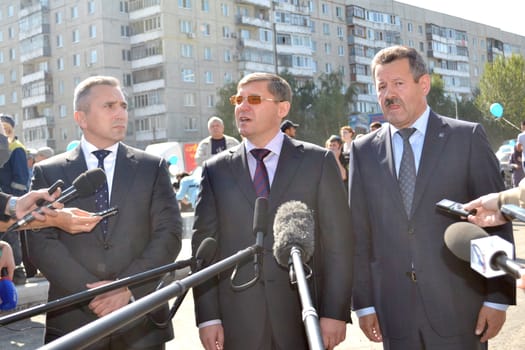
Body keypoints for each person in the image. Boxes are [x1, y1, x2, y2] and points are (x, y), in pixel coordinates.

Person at [349, 45, 515, 350]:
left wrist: (497, 297)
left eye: (398, 84)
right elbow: (360, 232)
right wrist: (365, 304)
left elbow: (494, 222)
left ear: (423, 84)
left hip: (459, 307)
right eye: (381, 86)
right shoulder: (363, 151)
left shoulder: (466, 138)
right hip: (395, 314)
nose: (389, 94)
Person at [192, 72, 353, 350]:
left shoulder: (317, 161)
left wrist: (334, 312)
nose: (242, 107)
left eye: (253, 99)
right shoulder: (215, 170)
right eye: (238, 99)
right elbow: (204, 250)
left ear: (282, 108)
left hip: (302, 317)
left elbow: (339, 243)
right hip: (237, 321)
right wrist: (208, 318)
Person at [27, 75, 182, 348]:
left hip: (140, 320)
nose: (120, 113)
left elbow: (168, 235)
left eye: (123, 105)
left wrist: (127, 287)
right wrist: (91, 294)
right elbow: (40, 242)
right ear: (81, 118)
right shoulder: (48, 172)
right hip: (73, 321)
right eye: (109, 106)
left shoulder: (152, 167)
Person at [0, 114, 31, 284]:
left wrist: (14, 202)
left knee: (10, 237)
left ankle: (17, 272)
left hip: (10, 201)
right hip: (4, 201)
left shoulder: (16, 148)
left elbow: (21, 178)